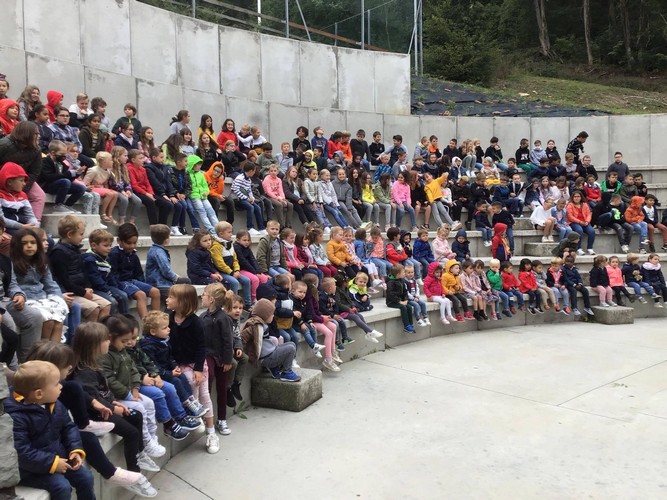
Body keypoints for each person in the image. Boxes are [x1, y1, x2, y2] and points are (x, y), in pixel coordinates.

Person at [6, 360, 96, 500]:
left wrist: (75, 450)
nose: (61, 386)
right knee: (61, 486)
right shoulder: (16, 417)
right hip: (29, 470)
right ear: (39, 394)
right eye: (56, 384)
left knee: (85, 477)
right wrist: (52, 463)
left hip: (58, 459)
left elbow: (68, 427)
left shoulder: (54, 404)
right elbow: (21, 451)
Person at [101, 315, 193, 445]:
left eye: (134, 338)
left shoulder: (127, 349)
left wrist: (153, 375)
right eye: (125, 340)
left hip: (137, 384)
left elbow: (141, 364)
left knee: (171, 386)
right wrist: (140, 381)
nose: (130, 343)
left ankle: (181, 416)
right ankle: (167, 425)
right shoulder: (110, 355)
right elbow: (112, 378)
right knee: (158, 394)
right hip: (127, 390)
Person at [167, 284, 220, 453]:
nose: (167, 299)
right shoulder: (170, 318)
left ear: (183, 302)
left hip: (196, 364)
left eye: (171, 297)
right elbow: (167, 345)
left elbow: (201, 347)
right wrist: (172, 364)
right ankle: (194, 418)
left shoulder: (196, 322)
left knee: (203, 395)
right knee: (188, 384)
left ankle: (211, 433)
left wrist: (198, 368)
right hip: (179, 364)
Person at [302, 274, 339, 371]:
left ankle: (333, 351)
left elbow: (316, 311)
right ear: (315, 283)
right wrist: (322, 319)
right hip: (311, 320)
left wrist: (322, 316)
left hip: (317, 318)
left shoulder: (315, 293)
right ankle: (328, 359)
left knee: (333, 326)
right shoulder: (308, 296)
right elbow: (311, 314)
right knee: (329, 333)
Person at [145, 224, 190, 304]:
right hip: (159, 284)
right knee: (186, 283)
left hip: (161, 281)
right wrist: (176, 278)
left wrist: (176, 276)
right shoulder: (159, 252)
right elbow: (166, 271)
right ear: (166, 240)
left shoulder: (156, 250)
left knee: (185, 282)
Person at [231, 162, 266, 236]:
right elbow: (235, 190)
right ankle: (250, 227)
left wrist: (252, 197)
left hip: (245, 198)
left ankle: (261, 228)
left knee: (258, 208)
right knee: (250, 207)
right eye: (254, 171)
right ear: (251, 171)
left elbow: (249, 190)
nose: (254, 172)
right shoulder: (240, 178)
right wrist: (246, 198)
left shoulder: (248, 180)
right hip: (238, 199)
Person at [566, 191, 595, 255]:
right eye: (575, 197)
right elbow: (570, 216)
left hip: (585, 222)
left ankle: (590, 248)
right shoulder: (570, 205)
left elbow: (589, 214)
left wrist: (587, 221)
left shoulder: (585, 204)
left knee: (592, 231)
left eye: (578, 196)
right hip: (574, 222)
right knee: (579, 230)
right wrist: (579, 222)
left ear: (581, 197)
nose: (576, 198)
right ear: (572, 198)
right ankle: (578, 248)